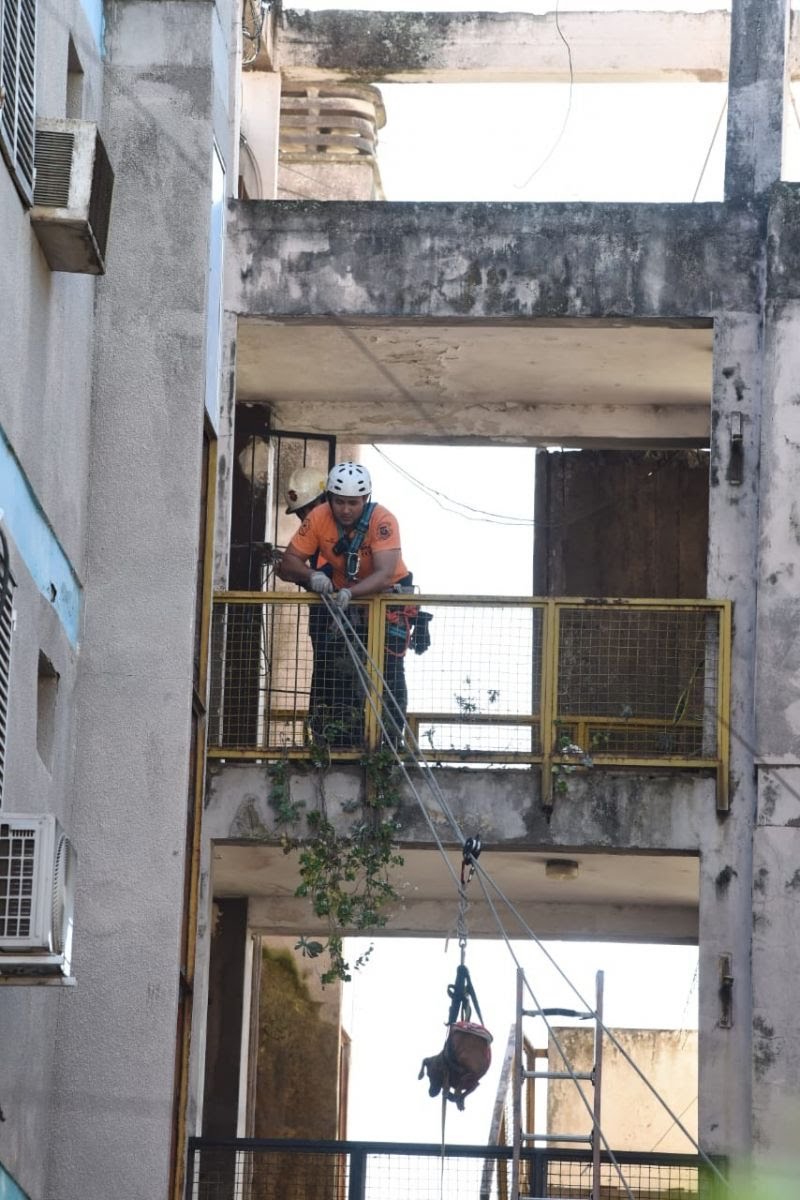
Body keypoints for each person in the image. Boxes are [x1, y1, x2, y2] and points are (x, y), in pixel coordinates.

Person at [278, 461, 416, 747]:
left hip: (385, 599)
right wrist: (311, 575)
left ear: (364, 500)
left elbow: (384, 573)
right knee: (336, 667)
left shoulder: (382, 521)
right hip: (346, 599)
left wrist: (352, 594)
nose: (345, 510)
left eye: (353, 503)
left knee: (387, 669)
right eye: (339, 502)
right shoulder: (318, 518)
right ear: (329, 498)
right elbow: (289, 562)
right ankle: (336, 737)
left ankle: (388, 740)